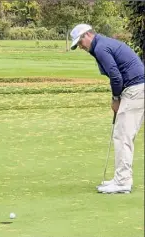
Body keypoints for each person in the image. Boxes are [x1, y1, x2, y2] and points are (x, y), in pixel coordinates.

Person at [70, 24, 144, 194]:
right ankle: (121, 178)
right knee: (123, 134)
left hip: (136, 89)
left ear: (88, 35)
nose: (80, 46)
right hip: (137, 88)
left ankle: (122, 181)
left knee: (122, 135)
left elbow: (115, 76)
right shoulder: (102, 45)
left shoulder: (101, 48)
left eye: (80, 42)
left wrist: (116, 98)